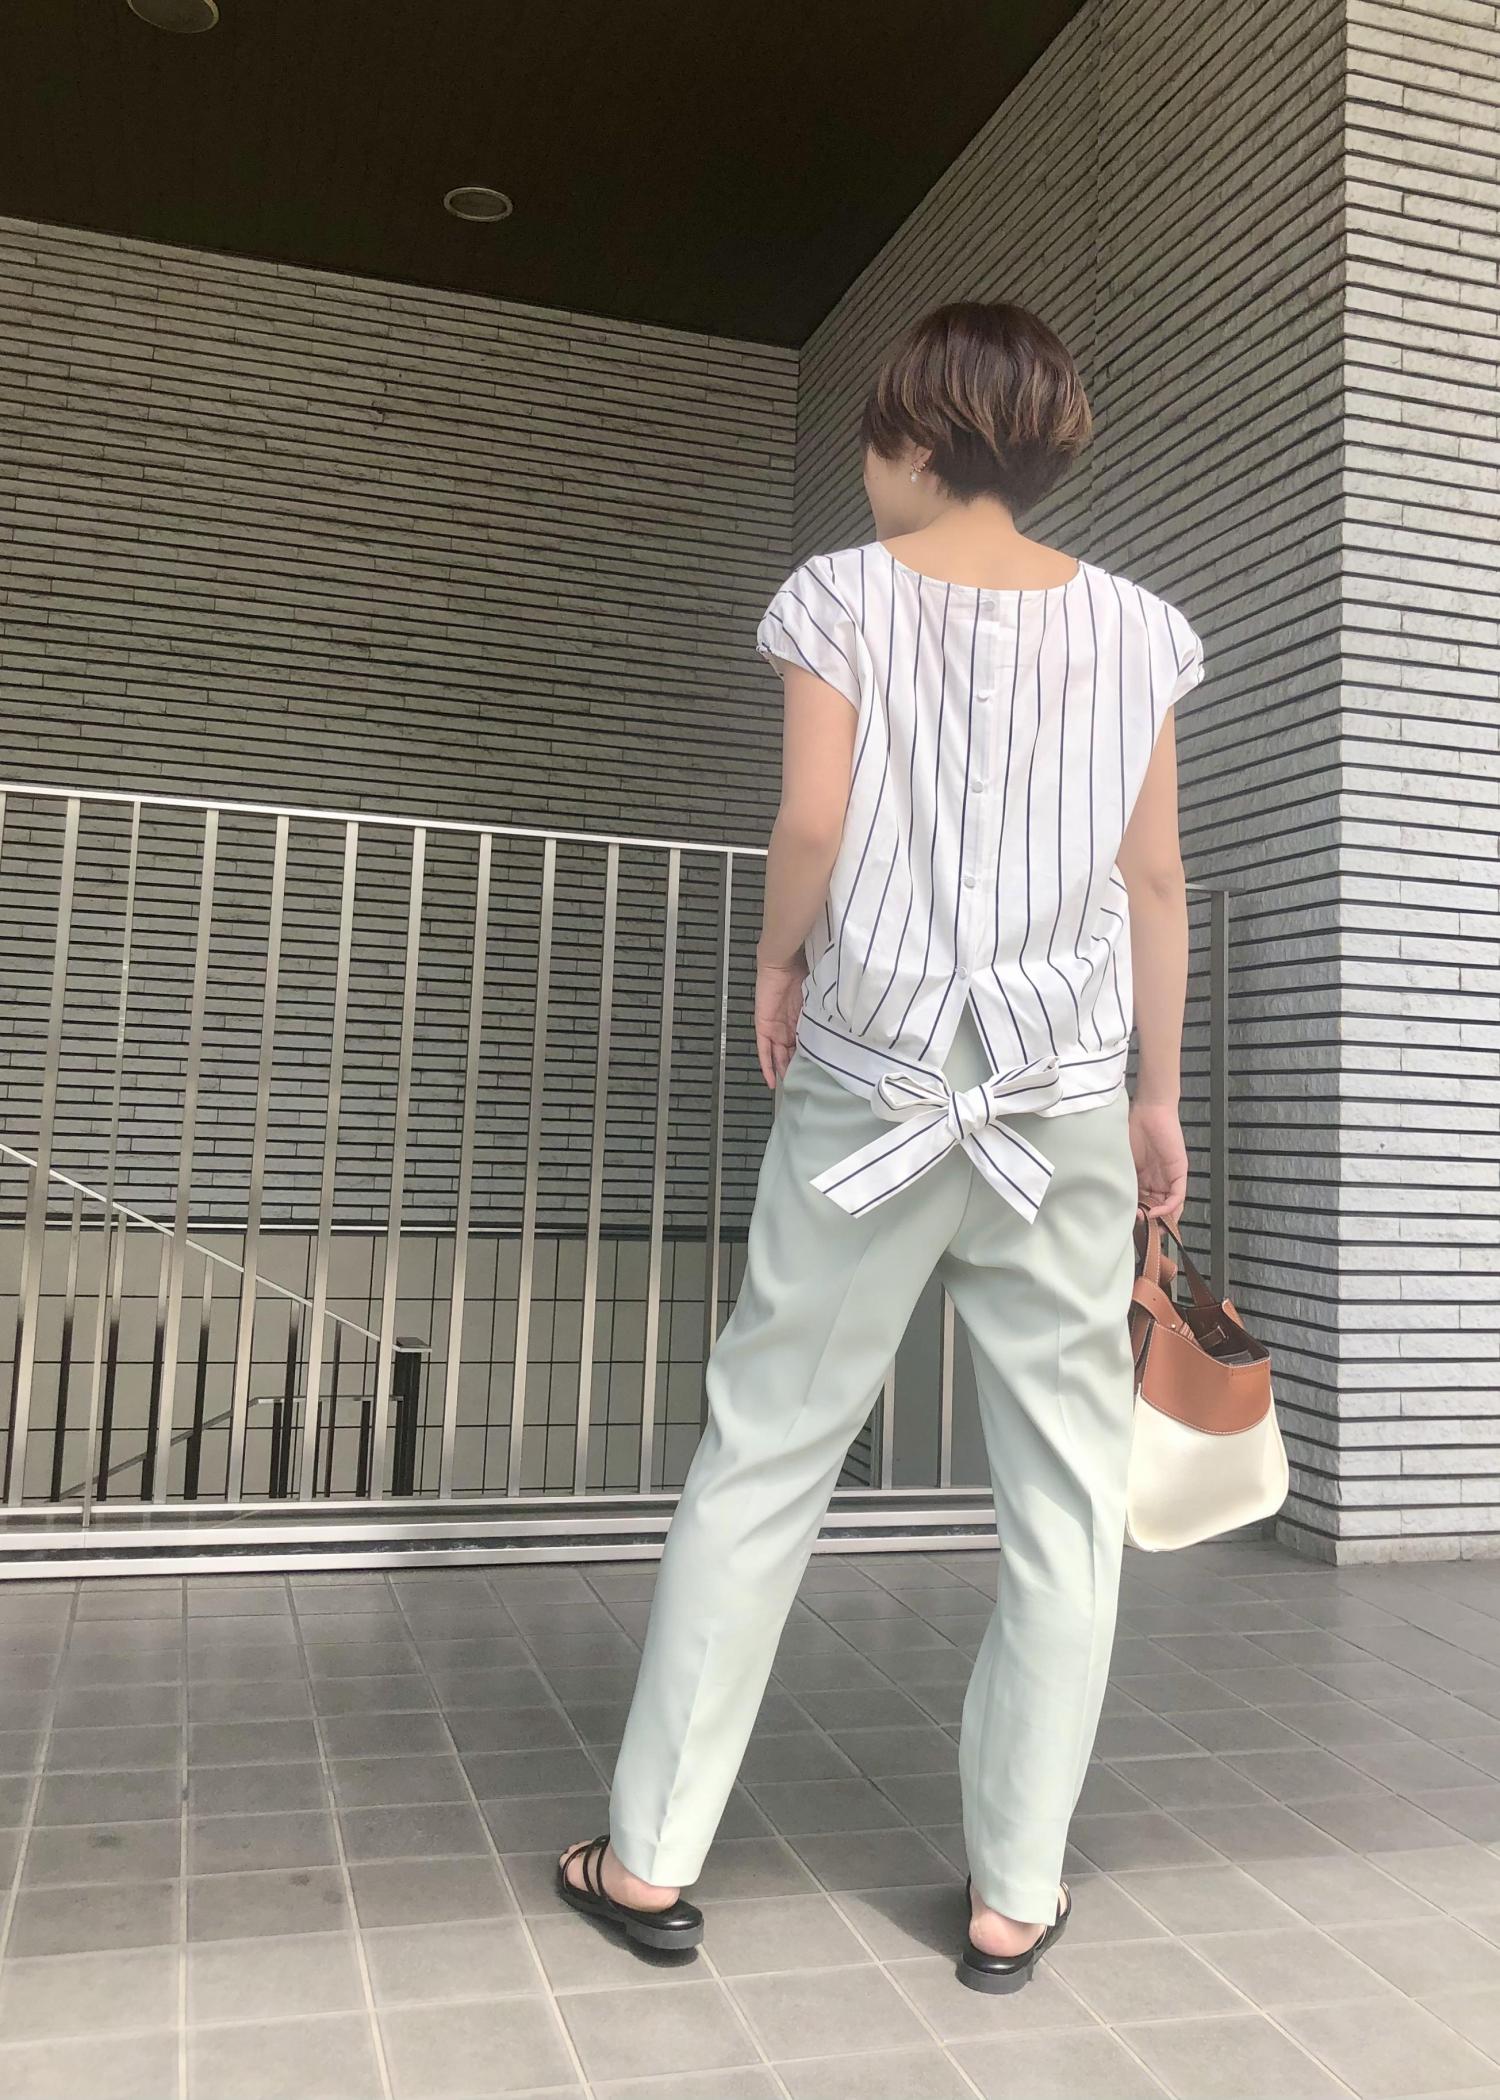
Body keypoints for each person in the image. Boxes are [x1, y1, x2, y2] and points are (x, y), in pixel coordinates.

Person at [559, 299, 1201, 1992]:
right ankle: (1014, 1894)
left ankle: (649, 1857)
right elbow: (1151, 882)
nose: (866, 466)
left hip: (875, 1083)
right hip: (1061, 1099)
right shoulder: (1143, 630)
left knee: (766, 1454)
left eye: (872, 436)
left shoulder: (838, 596)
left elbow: (813, 821)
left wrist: (777, 962)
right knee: (1064, 1495)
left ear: (919, 436)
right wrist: (1156, 1093)